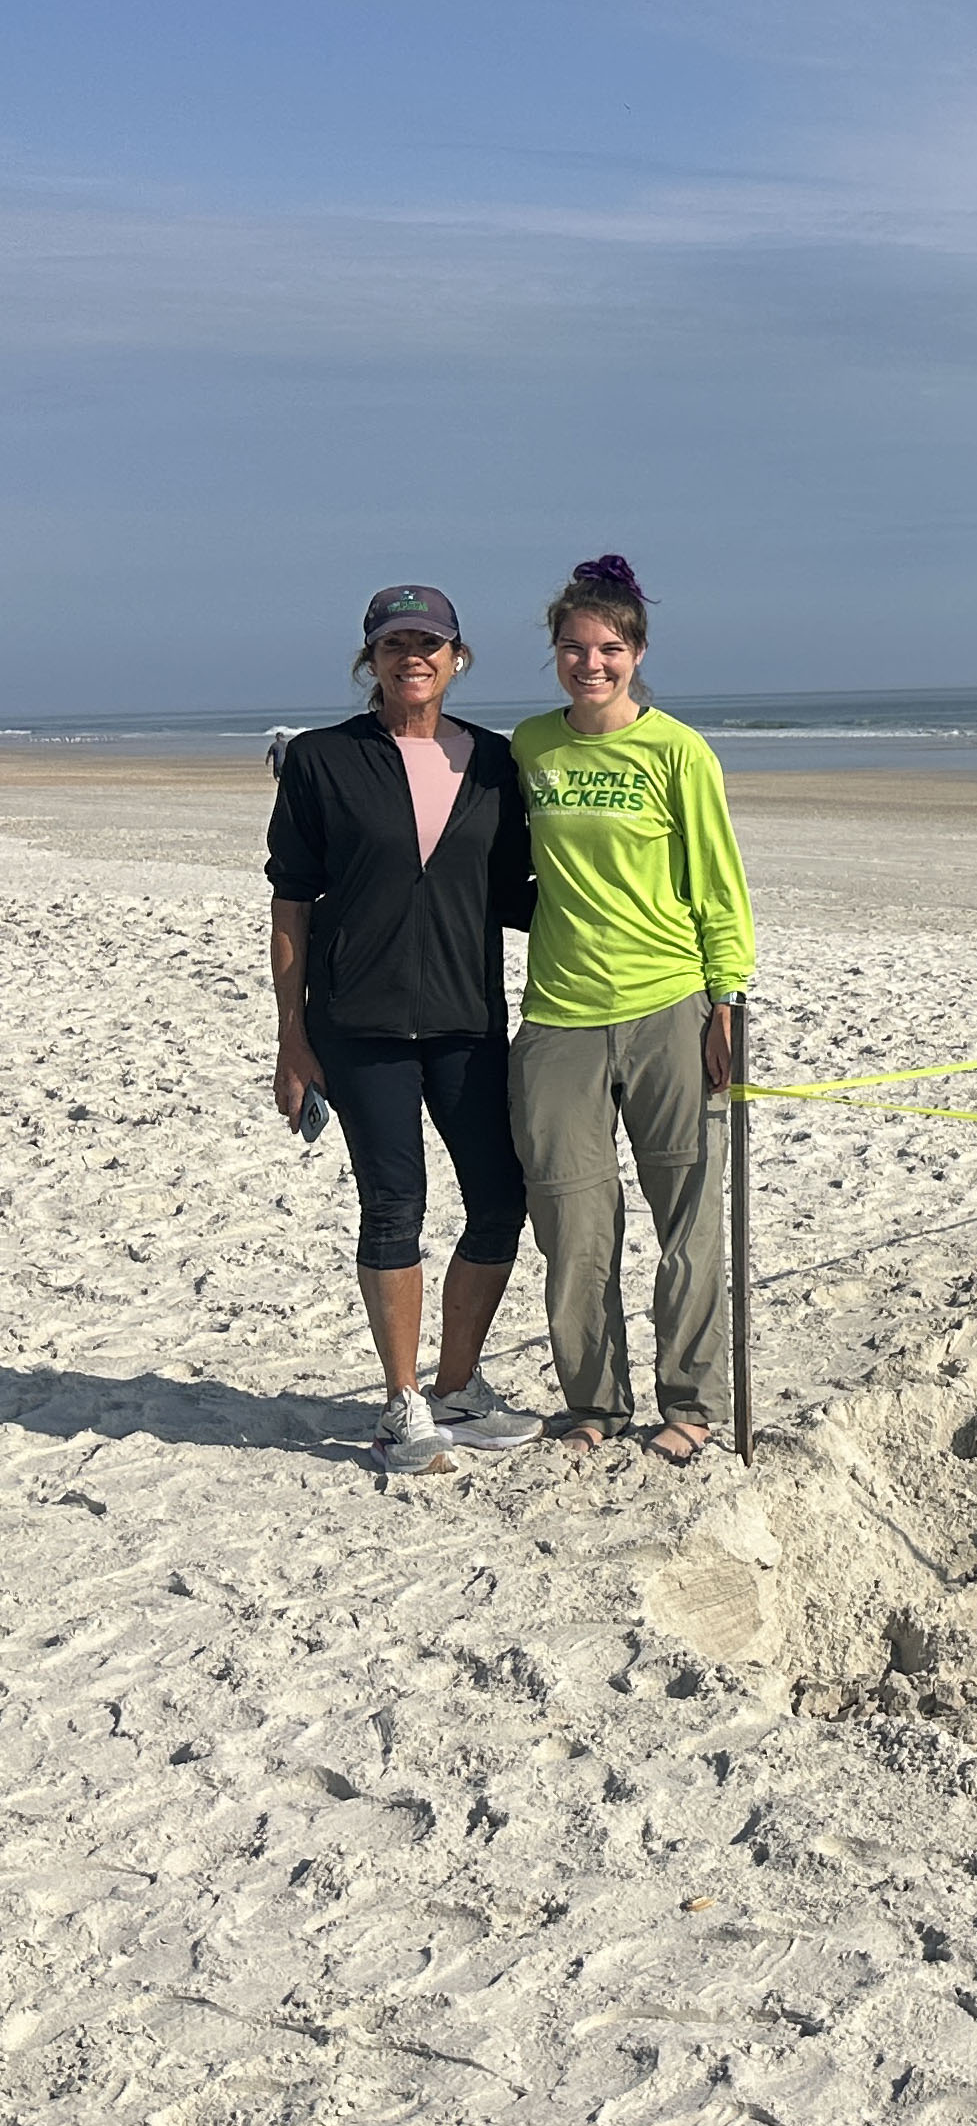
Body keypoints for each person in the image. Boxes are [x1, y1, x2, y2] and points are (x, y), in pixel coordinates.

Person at [264, 585, 544, 1468]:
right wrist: (292, 1038)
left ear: (457, 658)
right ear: (371, 661)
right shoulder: (320, 760)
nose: (412, 655)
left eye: (430, 641)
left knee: (501, 1198)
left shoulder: (497, 764)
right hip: (358, 1023)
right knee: (394, 1207)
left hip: (468, 1021)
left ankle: (458, 1387)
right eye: (394, 643)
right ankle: (401, 1404)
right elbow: (291, 903)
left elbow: (519, 897)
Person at [510, 556, 756, 1465]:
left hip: (669, 1007)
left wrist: (727, 1002)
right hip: (558, 1021)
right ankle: (595, 1406)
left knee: (689, 1222)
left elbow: (720, 888)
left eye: (609, 648)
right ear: (555, 652)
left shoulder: (677, 750)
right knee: (575, 1230)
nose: (590, 663)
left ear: (637, 650)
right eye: (574, 648)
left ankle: (689, 1404)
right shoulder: (530, 746)